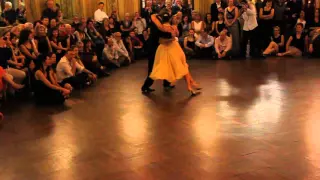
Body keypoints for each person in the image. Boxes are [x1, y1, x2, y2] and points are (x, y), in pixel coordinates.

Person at [150, 12, 201, 96]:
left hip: (166, 50)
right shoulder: (173, 27)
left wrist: (155, 15)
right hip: (175, 48)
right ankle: (191, 84)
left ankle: (191, 84)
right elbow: (176, 35)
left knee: (181, 67)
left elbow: (154, 20)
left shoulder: (162, 27)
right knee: (183, 66)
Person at [141, 10, 174, 93]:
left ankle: (166, 83)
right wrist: (170, 34)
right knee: (152, 68)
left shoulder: (159, 22)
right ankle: (145, 86)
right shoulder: (156, 24)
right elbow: (158, 34)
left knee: (166, 64)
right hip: (153, 49)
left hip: (159, 48)